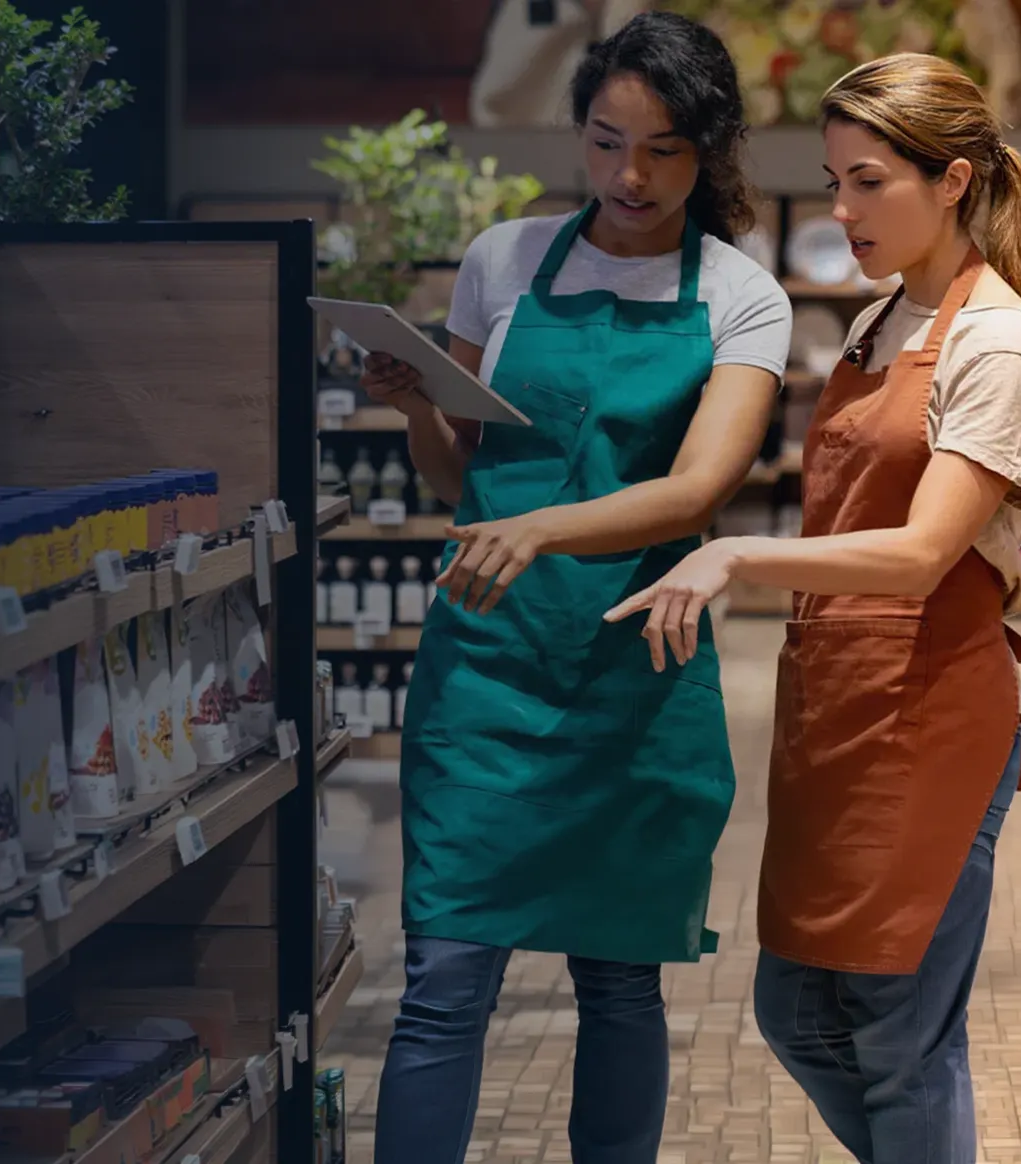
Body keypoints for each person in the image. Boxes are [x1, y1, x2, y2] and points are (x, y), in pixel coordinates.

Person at [604, 52, 1021, 1163]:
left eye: (866, 182)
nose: (839, 211)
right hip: (839, 708)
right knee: (796, 1008)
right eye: (831, 183)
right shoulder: (877, 327)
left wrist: (732, 557)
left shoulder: (1000, 344)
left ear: (951, 181)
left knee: (900, 1039)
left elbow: (919, 555)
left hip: (930, 712)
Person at [358, 13, 793, 1163]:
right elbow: (462, 475)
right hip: (485, 673)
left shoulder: (742, 297)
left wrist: (540, 528)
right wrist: (415, 410)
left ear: (709, 149)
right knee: (442, 981)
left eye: (660, 150)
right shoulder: (501, 260)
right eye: (605, 143)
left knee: (618, 986)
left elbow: (696, 493)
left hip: (631, 678)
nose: (628, 176)